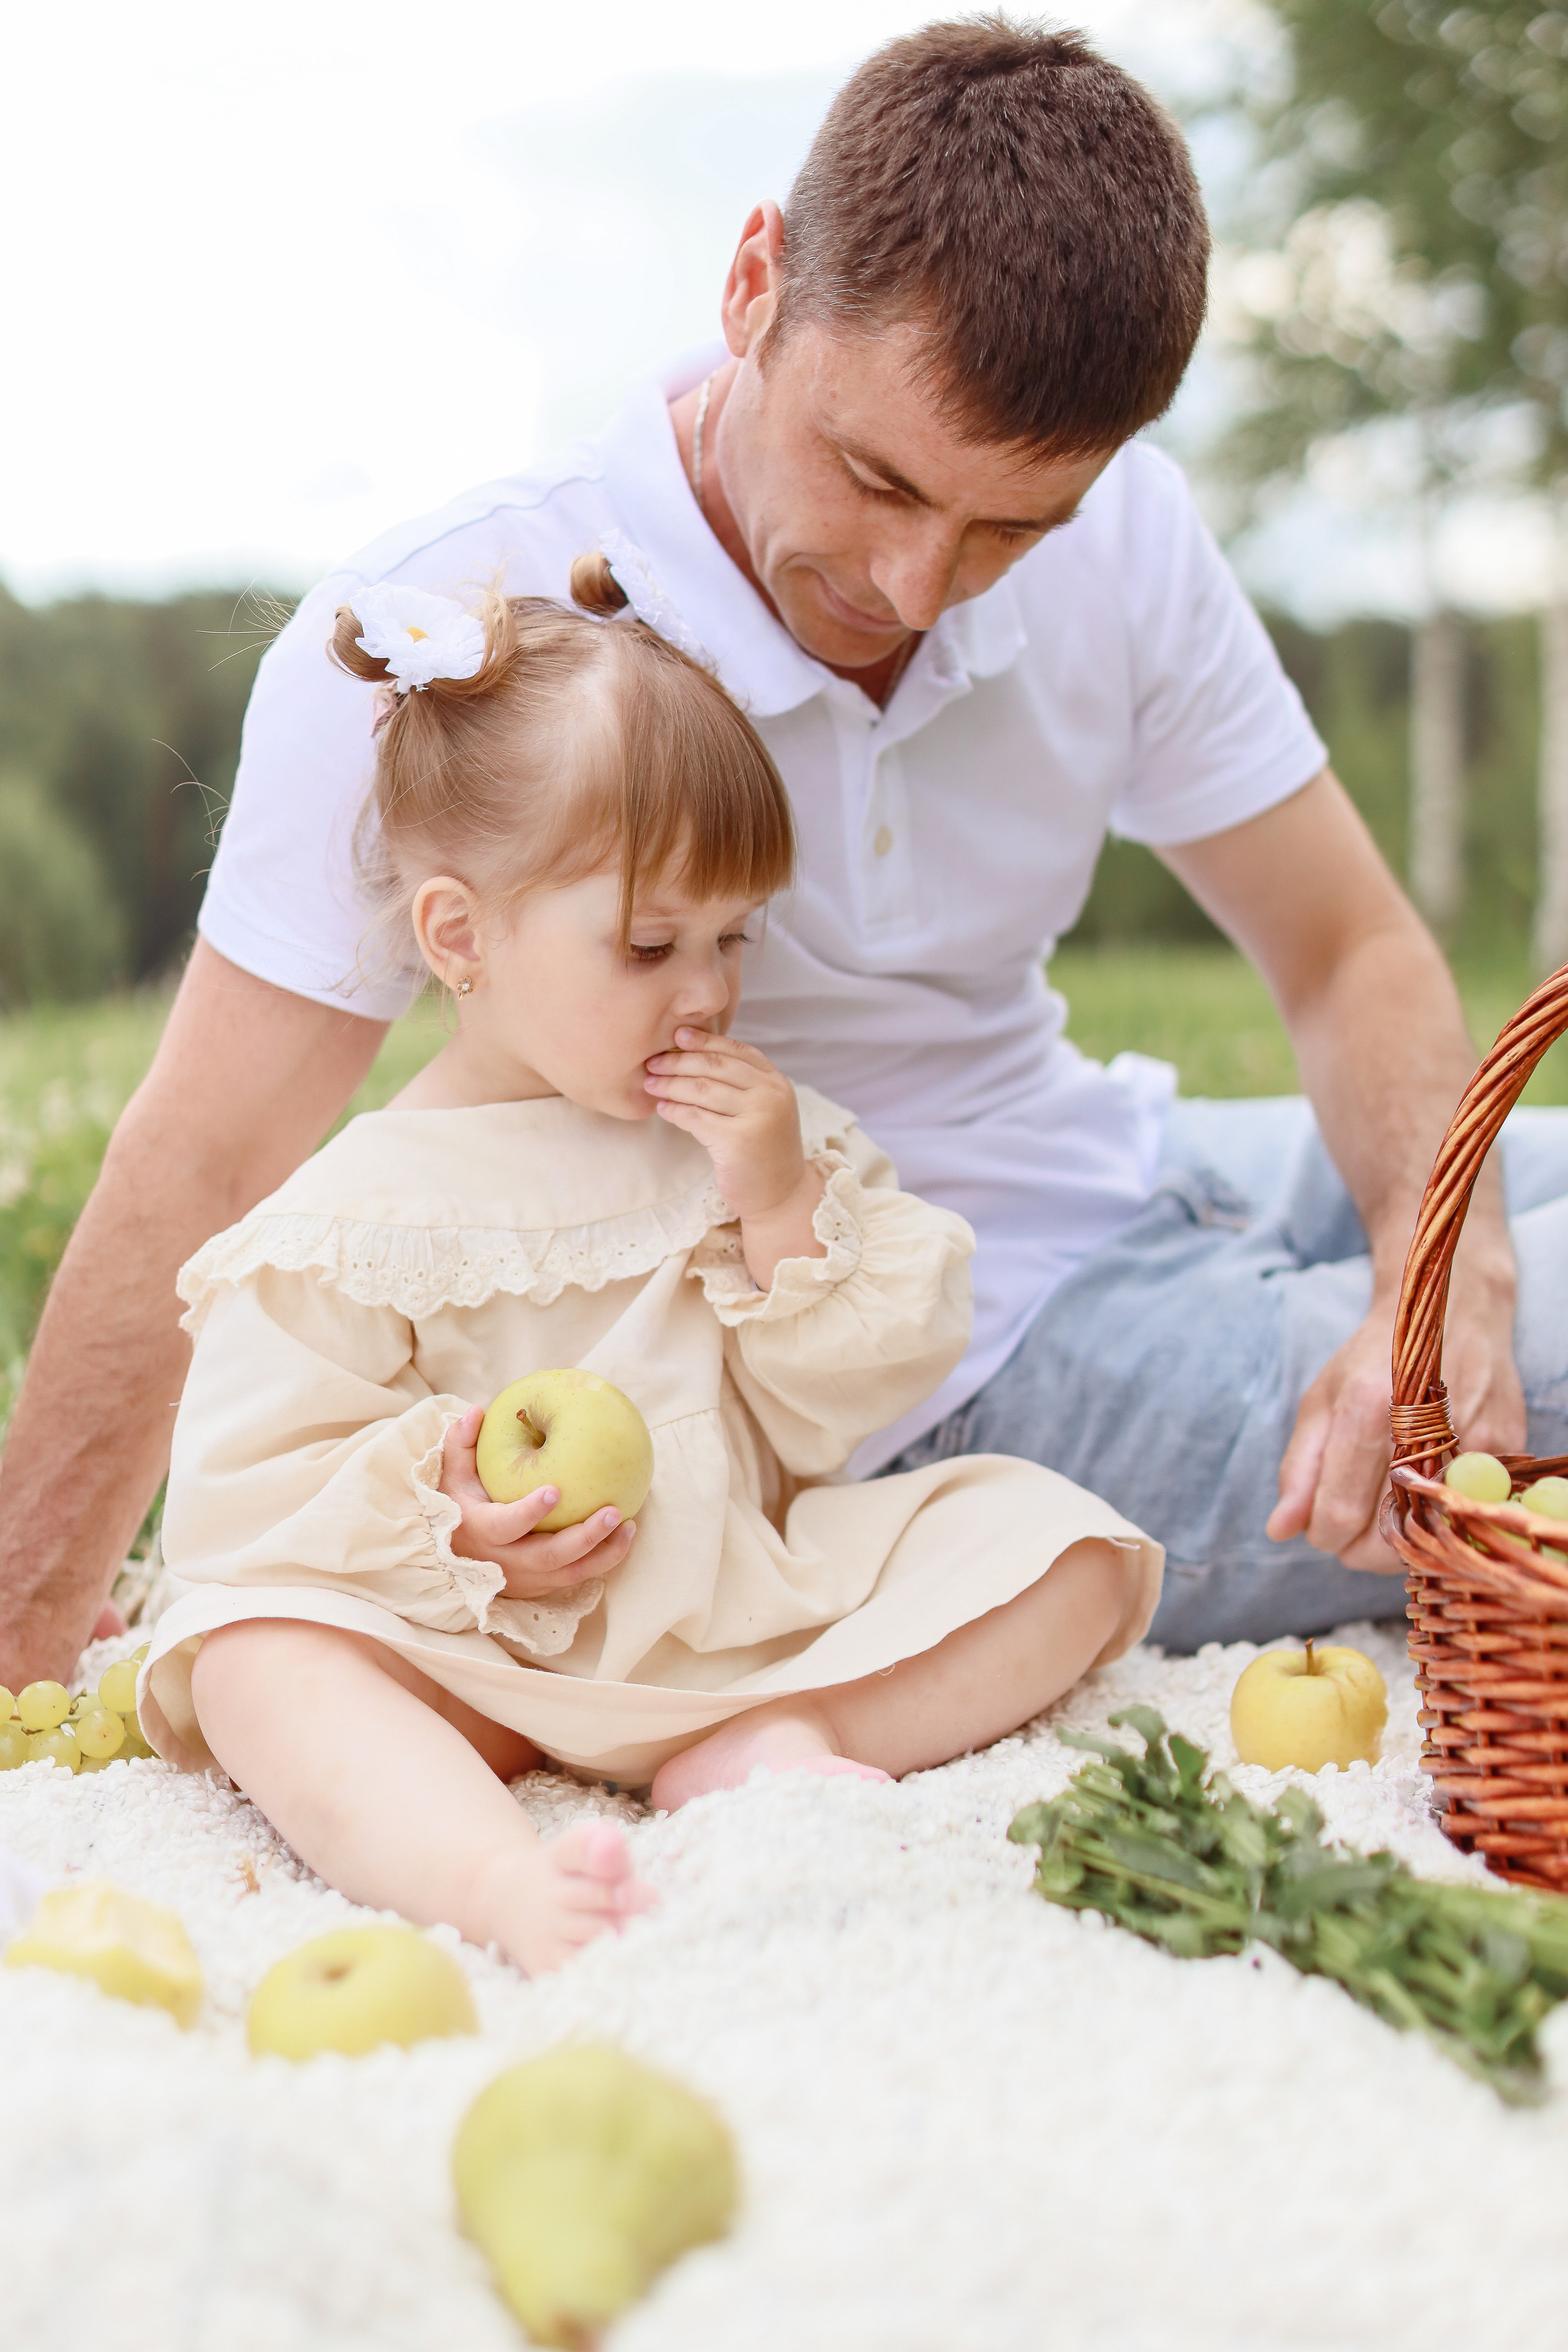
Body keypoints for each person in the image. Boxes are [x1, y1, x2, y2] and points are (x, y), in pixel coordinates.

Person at [0, 18, 1554, 1689]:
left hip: (1127, 1151)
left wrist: (1445, 1266)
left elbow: (1344, 950)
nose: (911, 586)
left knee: (1491, 1254)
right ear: (755, 283)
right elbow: (211, 1161)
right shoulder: (451, 630)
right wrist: (22, 1628)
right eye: (874, 476)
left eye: (1010, 528)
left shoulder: (1133, 541)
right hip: (895, 1368)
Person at [138, 575, 1161, 1973]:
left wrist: (781, 1201)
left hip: (735, 1620)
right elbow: (245, 1498)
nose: (709, 993)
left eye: (734, 938)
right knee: (254, 1655)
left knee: (1070, 1550)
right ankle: (491, 1875)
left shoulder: (740, 1144)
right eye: (648, 946)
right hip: (479, 1664)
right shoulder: (360, 1211)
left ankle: (780, 1734)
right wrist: (442, 1514)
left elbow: (837, 1406)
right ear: (460, 937)